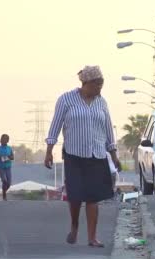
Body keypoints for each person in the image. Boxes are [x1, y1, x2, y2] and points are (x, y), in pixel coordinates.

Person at [44, 65, 120, 248]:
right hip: (74, 154)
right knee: (76, 195)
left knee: (93, 197)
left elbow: (108, 128)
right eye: (96, 85)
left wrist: (114, 154)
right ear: (85, 83)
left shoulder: (102, 102)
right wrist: (49, 150)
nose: (99, 89)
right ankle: (74, 225)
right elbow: (55, 125)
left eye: (101, 85)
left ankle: (92, 237)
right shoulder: (66, 100)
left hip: (97, 154)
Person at [0, 134, 14, 201]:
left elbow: (12, 157)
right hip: (1, 167)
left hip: (8, 167)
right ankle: (4, 195)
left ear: (7, 140)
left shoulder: (9, 148)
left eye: (4, 139)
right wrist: (1, 157)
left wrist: (8, 157)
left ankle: (4, 191)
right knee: (4, 181)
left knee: (9, 183)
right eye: (2, 139)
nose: (2, 140)